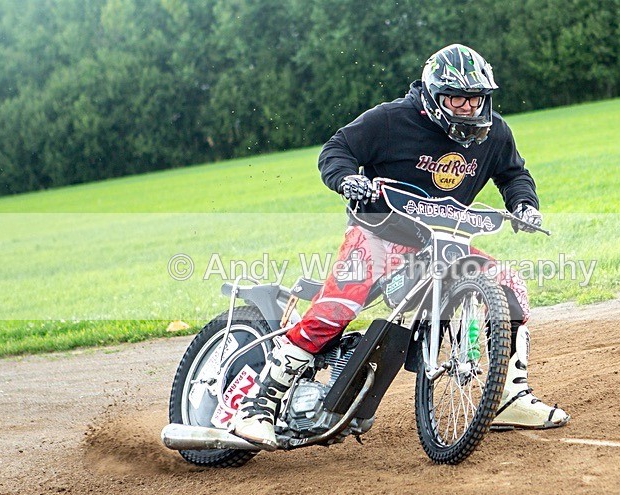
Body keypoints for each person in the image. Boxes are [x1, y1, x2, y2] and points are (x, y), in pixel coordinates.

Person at [232, 44, 569, 451]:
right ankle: (256, 405)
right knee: (336, 310)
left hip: (443, 242)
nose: (467, 108)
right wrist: (347, 181)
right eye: (456, 98)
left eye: (476, 98)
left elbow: (514, 173)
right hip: (377, 235)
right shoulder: (391, 120)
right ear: (432, 95)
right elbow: (335, 151)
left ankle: (508, 397)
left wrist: (525, 206)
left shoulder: (495, 132)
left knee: (510, 285)